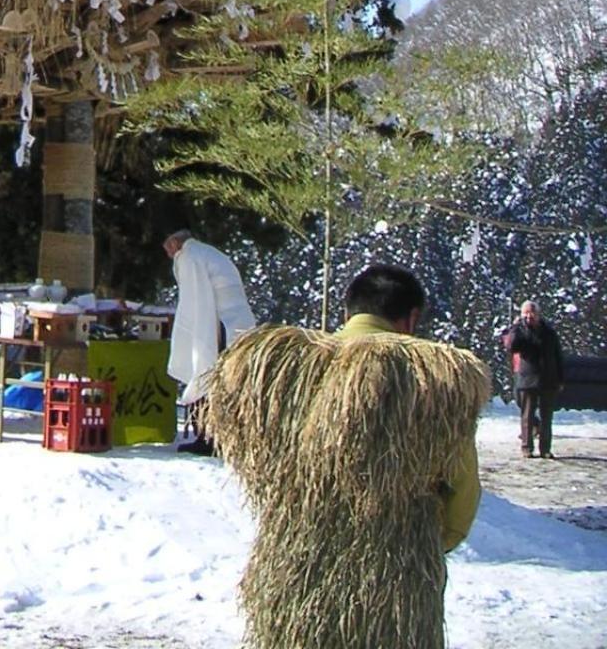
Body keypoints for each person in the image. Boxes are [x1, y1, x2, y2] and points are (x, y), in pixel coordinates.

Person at [206, 263, 489, 649]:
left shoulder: (277, 367)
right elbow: (461, 496)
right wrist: (423, 542)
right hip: (395, 588)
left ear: (347, 313)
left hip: (291, 576)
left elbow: (247, 458)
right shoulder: (435, 378)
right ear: (411, 319)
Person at [163, 230, 254, 454]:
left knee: (204, 374)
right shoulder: (208, 253)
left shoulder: (189, 256)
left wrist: (195, 341)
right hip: (238, 323)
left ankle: (207, 438)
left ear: (175, 244)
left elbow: (196, 301)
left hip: (219, 325)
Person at [501, 299, 564, 459]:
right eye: (526, 313)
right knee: (527, 417)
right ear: (522, 315)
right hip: (528, 380)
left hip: (549, 379)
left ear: (538, 314)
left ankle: (545, 449)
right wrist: (515, 327)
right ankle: (527, 448)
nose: (529, 316)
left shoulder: (549, 332)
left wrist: (560, 379)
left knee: (546, 417)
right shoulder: (520, 331)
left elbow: (558, 356)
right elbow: (511, 347)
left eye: (532, 313)